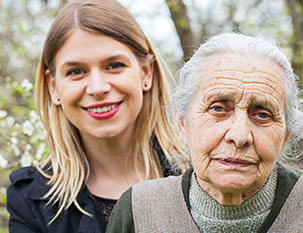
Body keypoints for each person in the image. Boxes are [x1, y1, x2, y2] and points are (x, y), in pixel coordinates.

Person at [106, 32, 303, 233]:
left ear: (285, 137)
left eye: (262, 114)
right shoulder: (138, 212)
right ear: (183, 124)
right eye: (218, 109)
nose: (240, 135)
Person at [6, 0, 187, 232]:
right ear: (53, 87)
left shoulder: (198, 178)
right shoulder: (32, 203)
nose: (97, 87)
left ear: (146, 72)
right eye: (76, 72)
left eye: (114, 65)